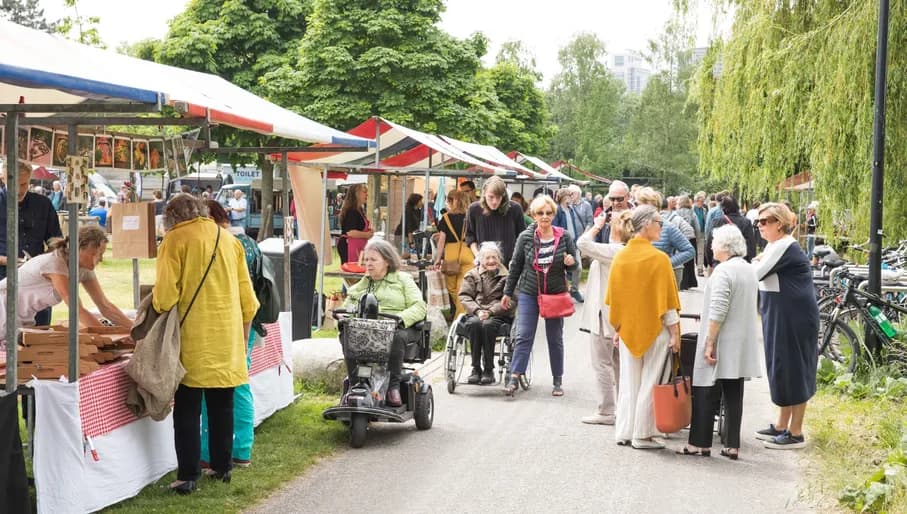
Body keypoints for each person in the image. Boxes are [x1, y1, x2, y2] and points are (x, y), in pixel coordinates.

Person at [153, 194, 259, 494]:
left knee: (187, 409)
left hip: (193, 338)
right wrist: (241, 334)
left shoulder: (175, 239)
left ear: (172, 218)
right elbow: (249, 300)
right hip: (227, 336)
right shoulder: (229, 240)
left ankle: (188, 475)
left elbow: (165, 297)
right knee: (222, 405)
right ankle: (222, 468)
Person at [676, 224, 762, 460]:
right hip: (740, 339)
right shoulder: (747, 269)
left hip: (723, 338)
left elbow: (719, 308)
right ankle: (732, 445)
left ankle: (699, 443)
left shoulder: (723, 271)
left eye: (713, 243)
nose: (711, 247)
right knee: (734, 391)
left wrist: (710, 341)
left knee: (705, 388)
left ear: (724, 246)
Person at [605, 205, 681, 449]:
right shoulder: (659, 259)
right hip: (656, 330)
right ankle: (643, 434)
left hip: (628, 329)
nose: (661, 227)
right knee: (651, 381)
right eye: (659, 222)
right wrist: (675, 334)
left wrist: (619, 328)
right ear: (646, 224)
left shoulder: (621, 257)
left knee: (629, 382)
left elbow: (617, 300)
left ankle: (625, 430)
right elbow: (667, 304)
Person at [197, 200, 263, 469]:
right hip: (244, 321)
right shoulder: (246, 242)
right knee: (237, 385)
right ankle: (240, 449)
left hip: (231, 323)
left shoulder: (227, 243)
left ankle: (216, 451)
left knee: (223, 388)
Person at [0, 225, 133, 348]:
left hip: (21, 316)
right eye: (98, 254)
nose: (101, 259)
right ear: (79, 249)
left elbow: (105, 306)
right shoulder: (55, 263)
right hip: (4, 312)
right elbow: (77, 310)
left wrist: (135, 332)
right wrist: (108, 339)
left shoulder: (84, 269)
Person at [752, 202, 818, 450]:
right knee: (781, 366)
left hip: (794, 317)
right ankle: (781, 424)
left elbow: (756, 273)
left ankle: (796, 432)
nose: (759, 226)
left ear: (779, 223)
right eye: (757, 222)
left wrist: (754, 262)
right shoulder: (775, 245)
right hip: (779, 314)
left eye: (764, 221)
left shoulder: (784, 246)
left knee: (794, 369)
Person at [501, 195, 578, 397]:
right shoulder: (525, 237)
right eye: (540, 213)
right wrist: (508, 292)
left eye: (549, 212)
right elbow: (515, 266)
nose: (545, 216)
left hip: (555, 293)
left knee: (555, 338)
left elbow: (575, 266)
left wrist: (571, 263)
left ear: (554, 214)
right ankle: (514, 377)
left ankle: (557, 379)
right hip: (529, 291)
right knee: (524, 335)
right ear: (533, 215)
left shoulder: (564, 236)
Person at [343, 239, 427, 407]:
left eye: (373, 260)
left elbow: (420, 307)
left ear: (387, 261)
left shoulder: (403, 280)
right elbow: (348, 304)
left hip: (400, 328)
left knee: (395, 336)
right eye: (366, 259)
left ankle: (393, 388)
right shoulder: (365, 282)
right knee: (346, 332)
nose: (368, 263)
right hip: (369, 329)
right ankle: (355, 384)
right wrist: (343, 316)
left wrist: (399, 319)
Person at [577, 210, 627, 425]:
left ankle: (606, 410)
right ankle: (623, 408)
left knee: (602, 363)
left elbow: (582, 243)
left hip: (604, 314)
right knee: (618, 363)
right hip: (615, 313)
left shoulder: (614, 251)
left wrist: (596, 226)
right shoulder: (620, 250)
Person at [0, 161, 64, 307]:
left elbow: (56, 241)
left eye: (23, 184)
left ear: (30, 179)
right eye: (13, 184)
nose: (18, 190)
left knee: (39, 320)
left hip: (37, 278)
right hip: (2, 275)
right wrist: (7, 260)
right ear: (3, 178)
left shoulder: (43, 204)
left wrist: (41, 261)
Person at [458, 242, 515, 385]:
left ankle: (489, 369)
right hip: (476, 313)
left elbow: (512, 300)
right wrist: (478, 311)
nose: (491, 261)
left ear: (499, 259)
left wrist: (490, 311)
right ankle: (476, 368)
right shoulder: (472, 275)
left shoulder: (507, 277)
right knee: (474, 324)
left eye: (494, 257)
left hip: (498, 315)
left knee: (488, 325)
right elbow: (464, 296)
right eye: (487, 258)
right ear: (481, 260)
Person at [633, 187, 694, 287]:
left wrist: (665, 263)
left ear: (651, 205)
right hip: (638, 276)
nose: (636, 208)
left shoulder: (667, 227)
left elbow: (689, 250)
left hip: (660, 279)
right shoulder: (632, 225)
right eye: (636, 204)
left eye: (638, 204)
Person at [464, 176, 527, 266]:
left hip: (510, 265)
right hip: (484, 263)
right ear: (484, 193)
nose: (494, 201)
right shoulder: (474, 209)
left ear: (503, 196)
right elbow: (470, 236)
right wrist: (478, 255)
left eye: (498, 197)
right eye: (491, 197)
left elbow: (522, 237)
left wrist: (517, 259)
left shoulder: (515, 209)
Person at [434, 191, 474, 316]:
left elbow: (441, 241)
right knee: (464, 288)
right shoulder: (471, 217)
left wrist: (438, 259)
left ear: (454, 202)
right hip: (468, 252)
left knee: (451, 288)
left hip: (451, 254)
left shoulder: (446, 218)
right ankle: (462, 315)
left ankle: (459, 316)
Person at [705, 195, 756, 267]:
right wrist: (749, 262)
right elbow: (751, 244)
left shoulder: (717, 222)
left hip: (720, 262)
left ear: (722, 208)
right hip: (741, 262)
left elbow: (710, 242)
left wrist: (711, 262)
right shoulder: (746, 222)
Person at [553, 188, 585, 302]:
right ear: (562, 197)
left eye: (570, 196)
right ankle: (562, 293)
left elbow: (573, 227)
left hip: (573, 243)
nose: (570, 198)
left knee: (578, 268)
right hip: (563, 244)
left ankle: (574, 290)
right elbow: (555, 228)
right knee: (561, 270)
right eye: (568, 196)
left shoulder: (571, 209)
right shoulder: (557, 210)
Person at [337, 184, 373, 264]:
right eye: (364, 192)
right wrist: (367, 235)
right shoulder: (352, 211)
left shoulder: (359, 210)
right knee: (351, 269)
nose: (367, 194)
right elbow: (350, 232)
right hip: (349, 245)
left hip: (357, 245)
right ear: (356, 194)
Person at [676, 194, 700, 290]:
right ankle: (690, 282)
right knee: (690, 260)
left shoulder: (676, 213)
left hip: (679, 237)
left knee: (681, 259)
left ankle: (682, 282)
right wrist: (697, 238)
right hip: (691, 238)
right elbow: (697, 227)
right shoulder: (692, 213)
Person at [692, 192, 708, 276]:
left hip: (701, 233)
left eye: (703, 201)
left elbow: (705, 221)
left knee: (700, 252)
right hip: (692, 233)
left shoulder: (704, 210)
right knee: (692, 251)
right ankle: (691, 270)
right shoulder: (691, 209)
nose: (702, 203)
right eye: (701, 201)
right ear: (696, 201)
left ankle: (700, 269)